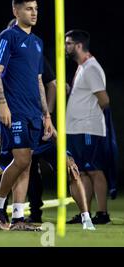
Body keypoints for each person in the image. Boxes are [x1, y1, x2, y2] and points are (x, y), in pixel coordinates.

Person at [0, 0, 54, 230]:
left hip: (33, 112)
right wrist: (2, 105)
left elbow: (38, 81)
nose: (34, 12)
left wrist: (47, 115)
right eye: (28, 9)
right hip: (13, 110)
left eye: (36, 8)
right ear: (16, 12)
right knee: (22, 158)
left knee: (26, 164)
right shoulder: (8, 36)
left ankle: (17, 219)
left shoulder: (37, 42)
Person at [0, 129, 95, 230]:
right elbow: (0, 136)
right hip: (20, 146)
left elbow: (53, 132)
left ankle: (86, 219)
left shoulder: (32, 107)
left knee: (73, 171)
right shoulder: (10, 109)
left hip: (43, 143)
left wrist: (65, 155)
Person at [65, 30, 111, 224]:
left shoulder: (91, 67)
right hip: (77, 129)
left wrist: (89, 119)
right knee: (81, 171)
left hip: (87, 129)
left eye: (68, 44)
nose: (65, 48)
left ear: (78, 45)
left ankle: (102, 213)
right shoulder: (82, 67)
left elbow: (104, 100)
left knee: (93, 169)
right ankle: (86, 213)